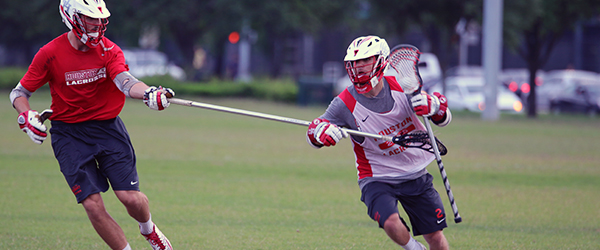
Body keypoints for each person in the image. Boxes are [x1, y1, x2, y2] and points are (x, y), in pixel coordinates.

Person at [9, 0, 174, 249]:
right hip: (68, 135)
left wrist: (149, 93)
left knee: (130, 198)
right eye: (90, 18)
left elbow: (125, 82)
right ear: (71, 17)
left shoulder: (110, 50)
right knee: (92, 204)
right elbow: (18, 93)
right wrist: (27, 116)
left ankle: (148, 230)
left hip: (107, 129)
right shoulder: (50, 53)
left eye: (99, 19)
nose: (97, 25)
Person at [306, 35, 452, 250]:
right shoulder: (343, 103)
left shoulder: (404, 87)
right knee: (390, 221)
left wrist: (435, 108)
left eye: (365, 60)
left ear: (381, 61)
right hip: (376, 177)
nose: (358, 67)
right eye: (354, 63)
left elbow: (444, 119)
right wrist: (320, 133)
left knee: (436, 238)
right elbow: (315, 132)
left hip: (415, 173)